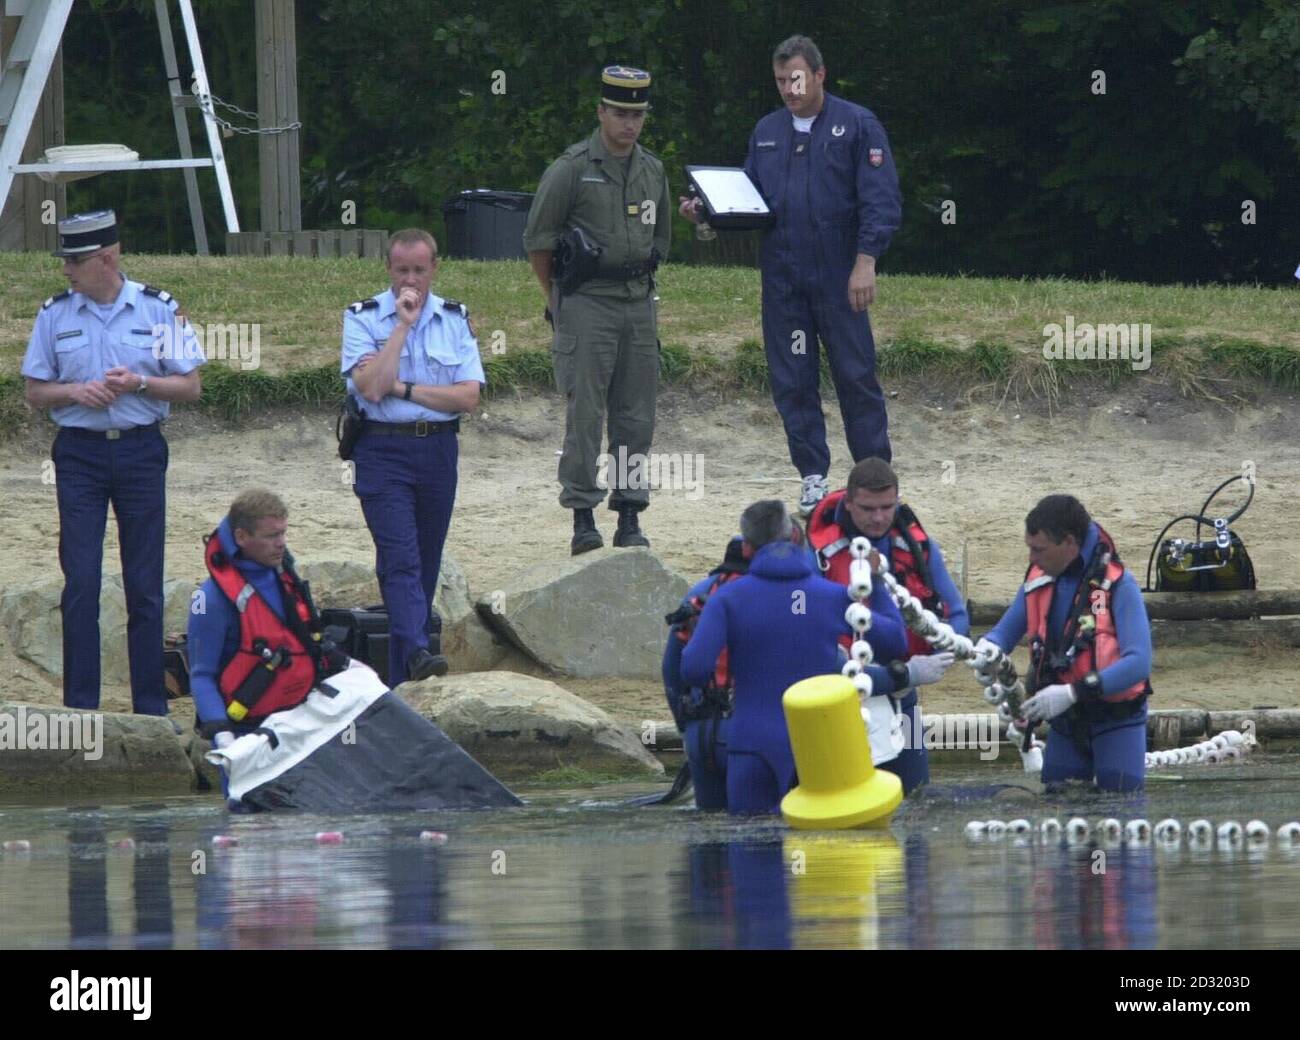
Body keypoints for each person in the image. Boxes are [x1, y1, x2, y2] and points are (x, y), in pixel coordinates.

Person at [679, 34, 902, 517]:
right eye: (781, 80)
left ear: (820, 75)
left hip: (840, 276)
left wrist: (867, 261)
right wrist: (706, 214)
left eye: (797, 78)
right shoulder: (767, 131)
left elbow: (880, 200)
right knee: (793, 379)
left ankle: (875, 479)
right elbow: (750, 203)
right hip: (783, 279)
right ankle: (813, 478)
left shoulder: (857, 125)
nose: (789, 88)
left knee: (855, 374)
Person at [21, 209, 204, 715]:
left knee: (144, 585)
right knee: (81, 580)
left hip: (141, 450)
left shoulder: (157, 309)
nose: (66, 272)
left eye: (74, 261)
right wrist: (77, 391)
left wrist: (139, 383)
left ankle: (150, 708)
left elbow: (190, 385)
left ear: (106, 258)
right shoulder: (55, 313)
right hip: (79, 454)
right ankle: (82, 707)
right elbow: (36, 392)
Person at [524, 66, 672, 554]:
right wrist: (557, 301)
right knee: (585, 412)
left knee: (635, 415)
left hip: (637, 302)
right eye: (621, 113)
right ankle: (583, 515)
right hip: (587, 301)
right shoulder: (572, 168)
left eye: (638, 115)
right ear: (601, 112)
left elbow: (661, 237)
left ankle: (629, 511)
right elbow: (539, 240)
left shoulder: (652, 169)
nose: (629, 124)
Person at [680, 500, 908, 815]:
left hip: (751, 745)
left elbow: (693, 669)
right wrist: (875, 581)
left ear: (746, 549)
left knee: (750, 847)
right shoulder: (831, 596)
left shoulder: (727, 600)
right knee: (822, 849)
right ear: (796, 539)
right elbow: (896, 641)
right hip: (819, 747)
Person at [342, 229, 484, 684]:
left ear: (434, 269)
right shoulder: (363, 317)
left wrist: (404, 388)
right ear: (389, 269)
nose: (411, 280)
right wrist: (401, 326)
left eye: (419, 270)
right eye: (402, 269)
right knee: (398, 553)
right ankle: (419, 651)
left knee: (425, 556)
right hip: (382, 448)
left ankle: (408, 670)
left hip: (438, 449)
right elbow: (370, 387)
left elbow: (467, 397)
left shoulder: (453, 318)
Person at [806, 457, 968, 791]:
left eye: (887, 507)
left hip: (903, 693)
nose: (879, 518)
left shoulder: (913, 544)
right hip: (842, 700)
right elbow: (807, 642)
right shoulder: (816, 554)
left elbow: (959, 618)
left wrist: (940, 654)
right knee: (849, 805)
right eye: (867, 508)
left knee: (917, 800)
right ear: (848, 503)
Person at [979, 495, 1152, 792]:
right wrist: (986, 649)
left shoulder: (1119, 585)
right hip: (1066, 724)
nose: (1032, 558)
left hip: (1116, 721)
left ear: (1069, 543)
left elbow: (1139, 662)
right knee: (1059, 810)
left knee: (1122, 820)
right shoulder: (1039, 579)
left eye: (1039, 550)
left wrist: (1073, 692)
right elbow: (1004, 633)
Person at [187, 489, 345, 751]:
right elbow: (202, 676)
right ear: (241, 537)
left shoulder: (285, 579)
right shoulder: (209, 600)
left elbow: (309, 641)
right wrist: (223, 736)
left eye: (283, 533)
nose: (281, 543)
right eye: (272, 536)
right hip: (246, 732)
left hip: (298, 721)